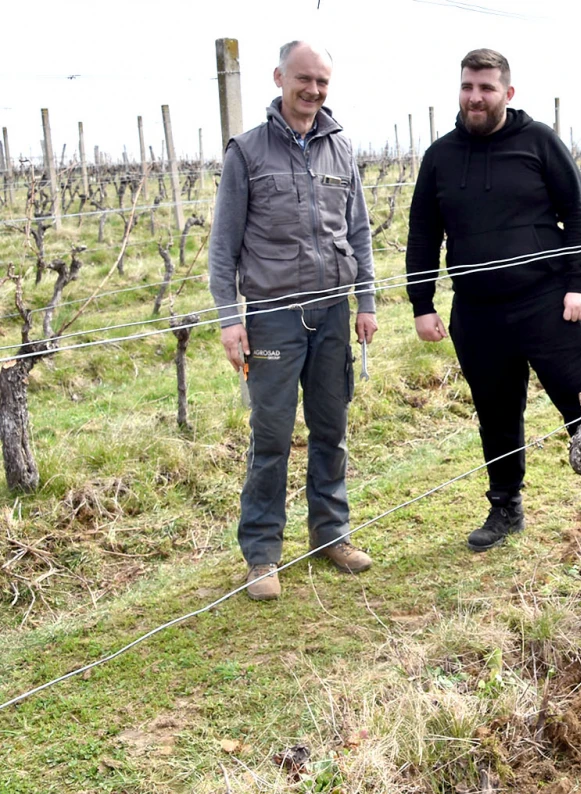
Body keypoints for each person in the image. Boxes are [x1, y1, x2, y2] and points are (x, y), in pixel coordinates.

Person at [406, 48, 581, 552]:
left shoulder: (538, 142)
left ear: (508, 92)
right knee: (496, 411)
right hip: (478, 312)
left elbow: (579, 212)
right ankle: (505, 507)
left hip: (548, 301)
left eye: (486, 88)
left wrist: (580, 282)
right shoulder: (440, 157)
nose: (475, 97)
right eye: (467, 86)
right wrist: (421, 303)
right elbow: (423, 234)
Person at [209, 41, 378, 601]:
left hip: (332, 312)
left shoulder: (341, 149)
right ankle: (261, 555)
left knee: (331, 428)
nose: (313, 90)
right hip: (273, 318)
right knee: (272, 437)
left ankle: (331, 533)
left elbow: (358, 233)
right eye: (303, 78)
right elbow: (223, 247)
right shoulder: (248, 152)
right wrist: (231, 320)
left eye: (322, 81)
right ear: (280, 76)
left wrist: (366, 302)